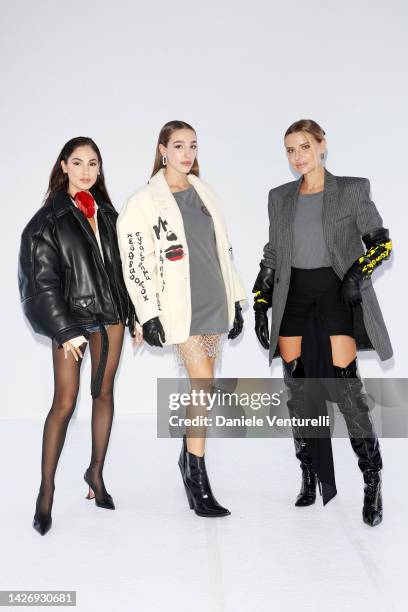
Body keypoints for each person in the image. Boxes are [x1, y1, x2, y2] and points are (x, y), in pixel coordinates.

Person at [252, 119, 392, 526]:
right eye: (290, 150)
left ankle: (372, 478)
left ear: (322, 145)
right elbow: (273, 252)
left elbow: (380, 242)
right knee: (298, 391)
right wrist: (261, 303)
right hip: (293, 297)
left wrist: (354, 276)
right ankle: (309, 474)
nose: (298, 156)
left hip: (334, 294)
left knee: (348, 390)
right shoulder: (279, 197)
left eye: (304, 147)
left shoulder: (351, 190)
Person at [117, 120, 246, 517]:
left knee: (203, 390)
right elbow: (134, 261)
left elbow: (223, 249)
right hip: (180, 306)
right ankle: (197, 477)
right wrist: (148, 313)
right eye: (178, 146)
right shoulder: (144, 200)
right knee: (203, 386)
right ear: (162, 150)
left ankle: (188, 457)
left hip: (213, 300)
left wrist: (236, 299)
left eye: (192, 146)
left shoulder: (205, 191)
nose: (187, 154)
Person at [18, 137, 137, 535]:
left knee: (104, 394)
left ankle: (96, 475)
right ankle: (46, 493)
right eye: (79, 162)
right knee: (64, 403)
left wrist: (134, 315)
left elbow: (123, 269)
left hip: (110, 318)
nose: (87, 171)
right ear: (64, 166)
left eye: (94, 163)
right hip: (72, 322)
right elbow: (39, 283)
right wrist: (64, 330)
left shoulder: (108, 214)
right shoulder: (46, 221)